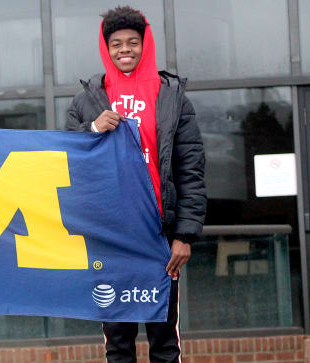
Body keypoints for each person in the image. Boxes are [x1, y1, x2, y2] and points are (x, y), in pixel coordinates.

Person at [65, 6, 206, 363]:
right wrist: (93, 129)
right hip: (111, 236)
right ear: (106, 48)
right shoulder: (87, 101)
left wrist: (184, 235)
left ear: (145, 45)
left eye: (132, 42)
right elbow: (65, 158)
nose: (124, 49)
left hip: (159, 235)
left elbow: (190, 168)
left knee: (164, 343)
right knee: (118, 343)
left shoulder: (171, 97)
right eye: (116, 44)